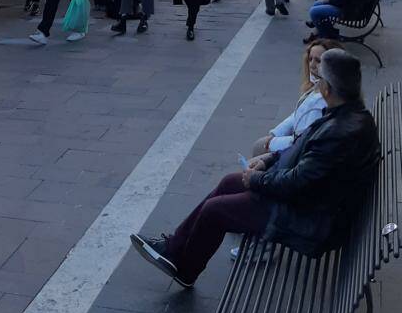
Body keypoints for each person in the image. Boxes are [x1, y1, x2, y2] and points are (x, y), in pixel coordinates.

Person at [130, 49, 380, 287]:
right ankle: (174, 249)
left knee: (214, 211)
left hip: (309, 217)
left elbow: (297, 182)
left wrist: (257, 180)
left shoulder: (339, 131)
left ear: (327, 88)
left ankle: (186, 270)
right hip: (310, 200)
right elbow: (302, 151)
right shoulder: (346, 114)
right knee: (229, 182)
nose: (315, 81)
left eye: (320, 78)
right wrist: (268, 161)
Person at [249, 38, 342, 157]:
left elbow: (303, 141)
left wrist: (272, 143)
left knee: (258, 148)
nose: (312, 65)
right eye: (310, 59)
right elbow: (297, 115)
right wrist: (275, 134)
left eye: (318, 61)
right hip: (298, 148)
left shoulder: (322, 102)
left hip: (299, 154)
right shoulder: (318, 89)